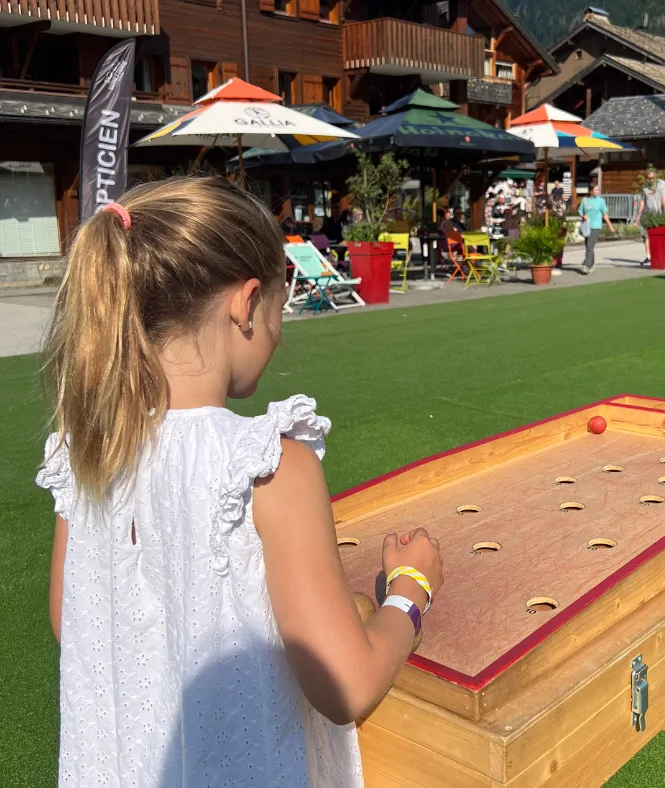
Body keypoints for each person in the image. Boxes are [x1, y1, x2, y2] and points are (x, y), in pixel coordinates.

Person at [36, 177, 444, 787]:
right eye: (278, 311)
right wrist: (411, 591)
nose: (278, 335)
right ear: (245, 304)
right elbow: (346, 683)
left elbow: (74, 621)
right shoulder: (267, 464)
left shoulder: (86, 451)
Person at [635, 166, 665, 266]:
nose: (650, 178)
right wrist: (638, 215)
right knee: (646, 236)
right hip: (648, 214)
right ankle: (648, 256)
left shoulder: (661, 185)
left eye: (651, 176)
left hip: (658, 214)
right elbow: (642, 202)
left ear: (655, 175)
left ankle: (657, 255)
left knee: (657, 236)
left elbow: (664, 199)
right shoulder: (644, 187)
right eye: (648, 176)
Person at [578, 183, 616, 274]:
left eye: (598, 190)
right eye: (596, 190)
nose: (598, 191)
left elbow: (604, 214)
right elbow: (580, 211)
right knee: (588, 246)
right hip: (587, 225)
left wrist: (610, 226)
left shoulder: (600, 201)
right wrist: (583, 216)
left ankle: (586, 265)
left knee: (590, 246)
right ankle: (592, 263)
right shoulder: (585, 200)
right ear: (591, 191)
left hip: (596, 226)